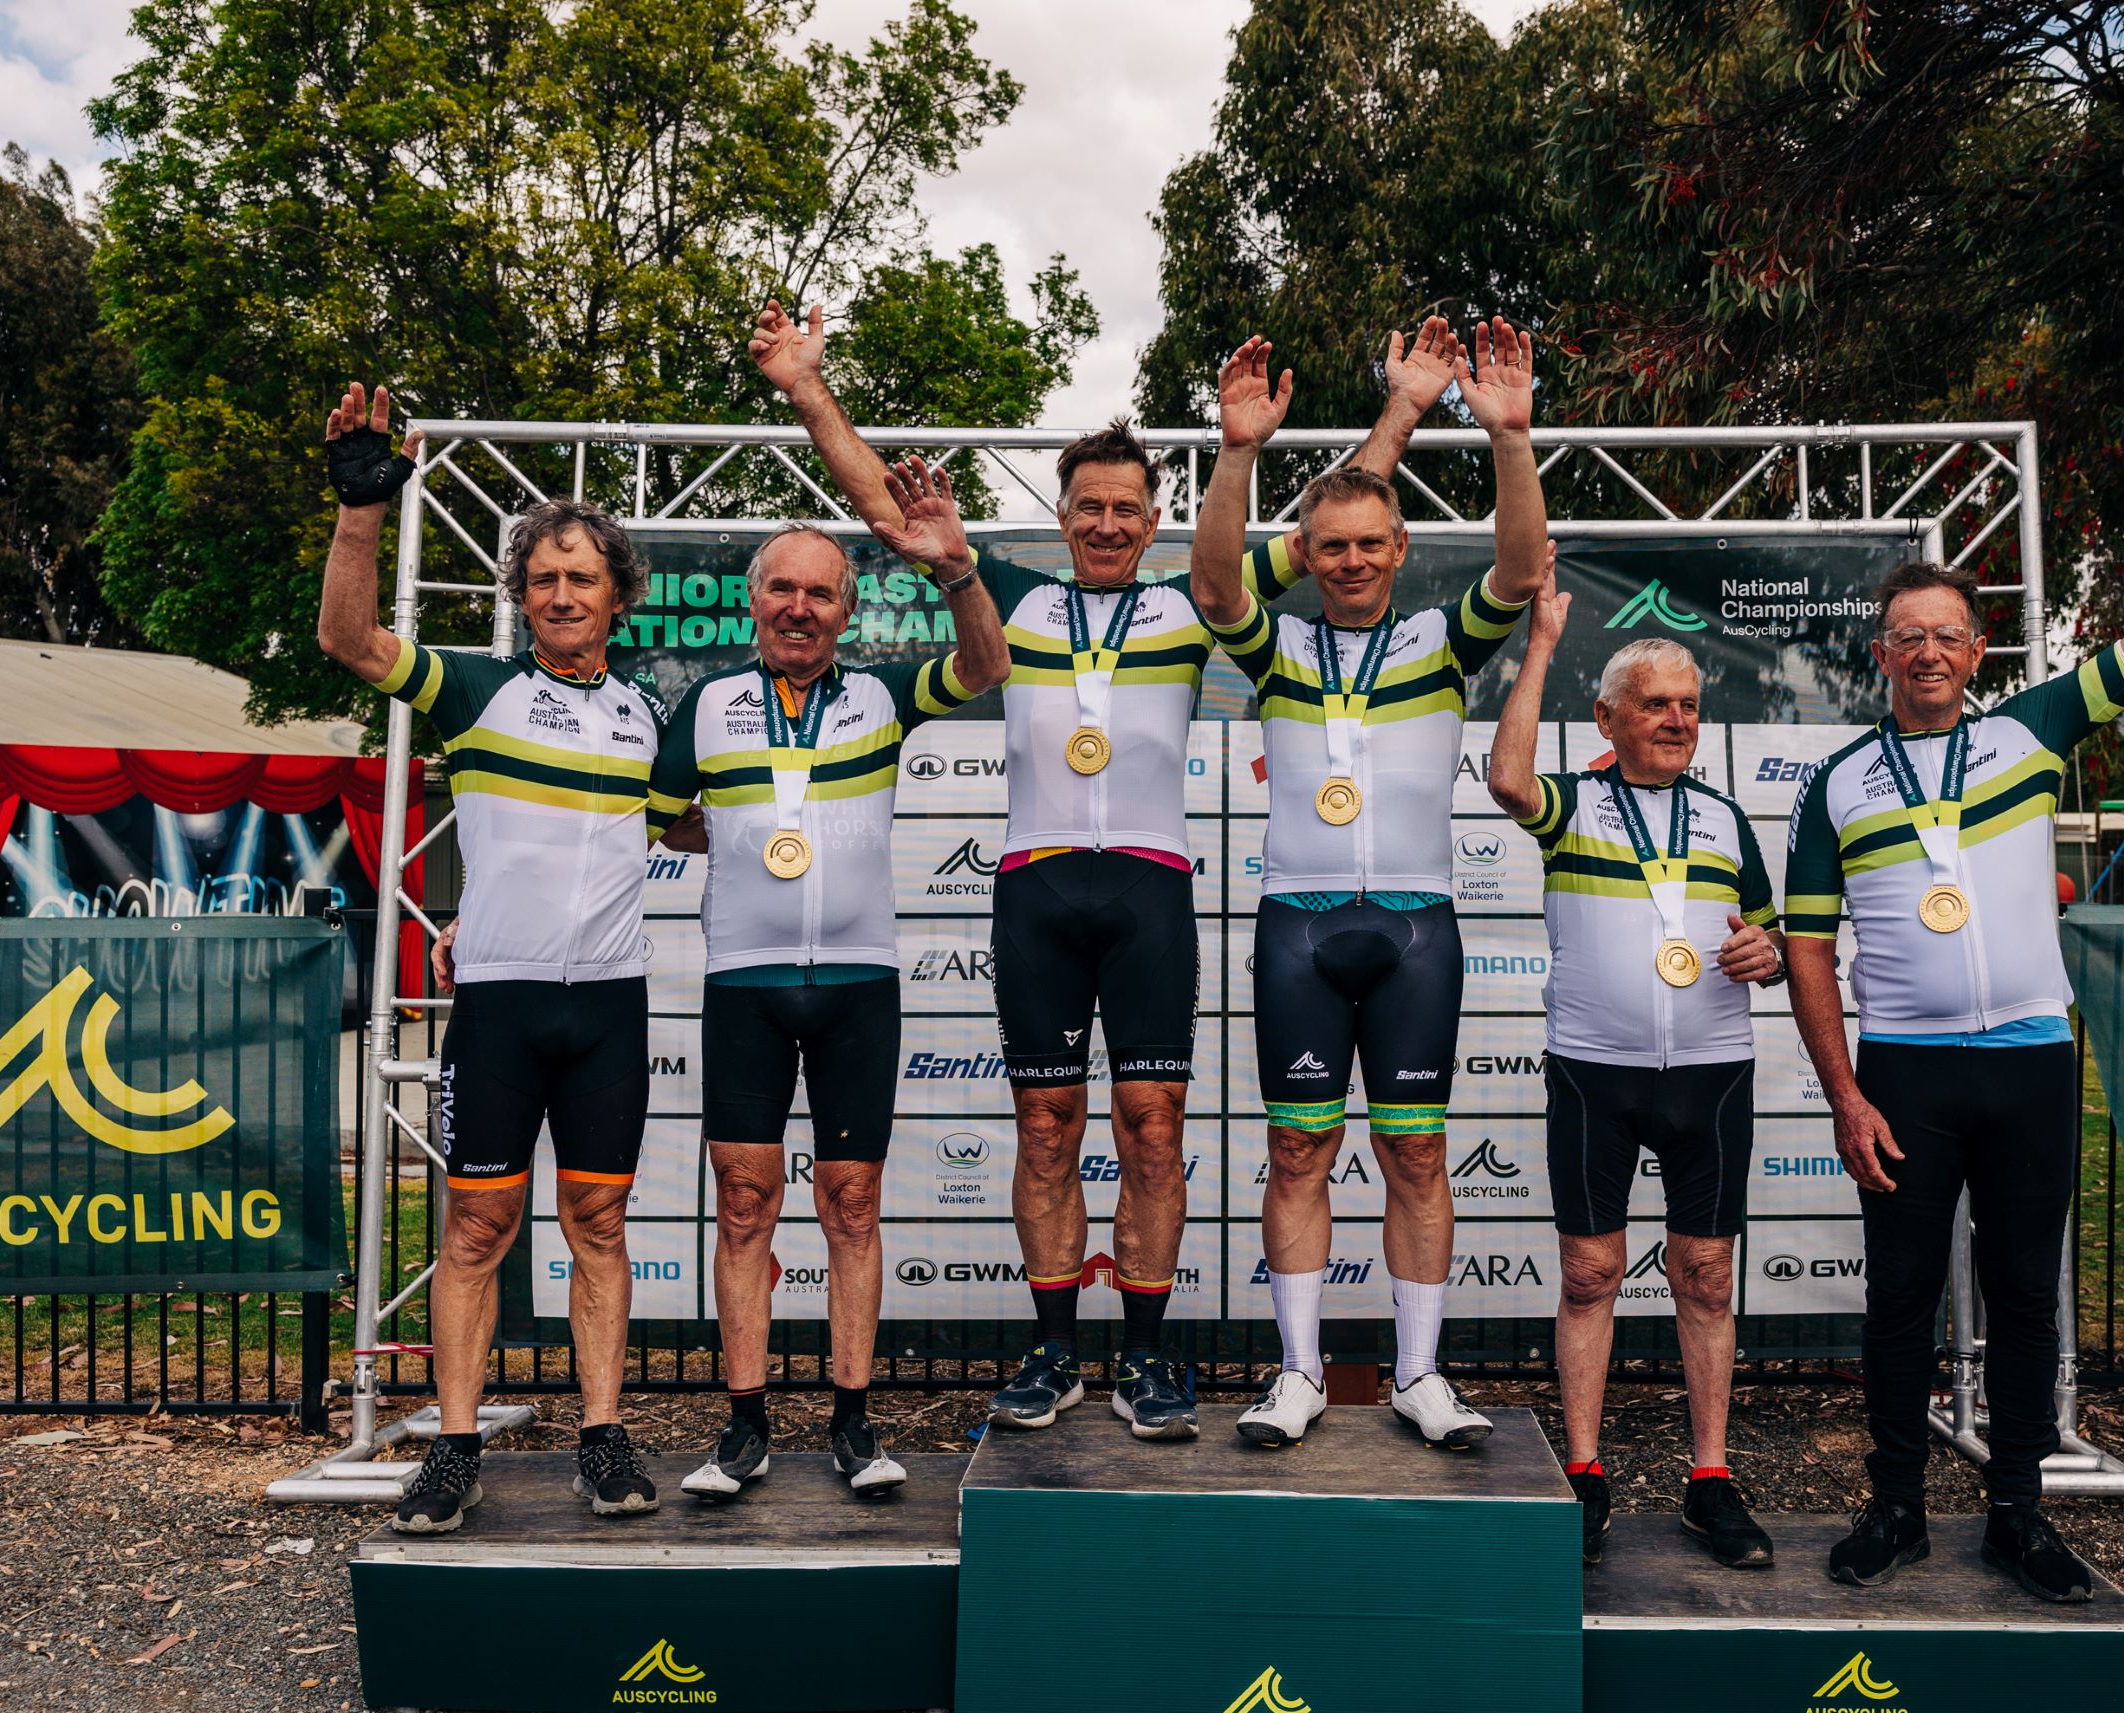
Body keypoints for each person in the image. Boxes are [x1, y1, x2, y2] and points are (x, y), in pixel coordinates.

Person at [757, 300, 1459, 1439]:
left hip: (1146, 889)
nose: (1105, 524)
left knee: (1150, 1121)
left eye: (1126, 510)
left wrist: (1402, 409)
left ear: (1152, 520)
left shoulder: (1195, 605)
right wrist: (805, 389)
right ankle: (1050, 1347)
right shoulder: (1016, 600)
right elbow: (891, 513)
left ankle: (1144, 1352)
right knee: (1043, 1126)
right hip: (1035, 887)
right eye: (1086, 507)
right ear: (1062, 513)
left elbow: (1344, 518)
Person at [1784, 407, 2124, 1602]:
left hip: (2031, 1058)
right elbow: (1805, 951)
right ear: (1878, 655)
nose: (1926, 650)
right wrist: (1841, 1093)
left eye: (1946, 633)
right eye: (1904, 635)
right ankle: (1891, 1506)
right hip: (1902, 1071)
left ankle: (2016, 1513)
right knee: (1893, 1300)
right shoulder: (1833, 786)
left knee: (2026, 1292)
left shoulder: (2033, 732)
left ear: (1978, 651)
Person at [316, 382, 670, 1533]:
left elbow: (705, 822)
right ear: (519, 596)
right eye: (542, 578)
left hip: (611, 1005)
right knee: (475, 1226)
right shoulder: (478, 688)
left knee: (602, 1225)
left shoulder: (649, 721)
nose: (561, 593)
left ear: (618, 595)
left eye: (583, 576)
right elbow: (348, 640)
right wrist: (363, 510)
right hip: (504, 1008)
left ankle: (604, 1438)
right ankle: (454, 1446)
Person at [1190, 321, 1546, 1447]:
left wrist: (1509, 437)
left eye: (1367, 544)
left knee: (1415, 1149)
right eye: (1328, 545)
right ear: (1308, 550)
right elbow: (1208, 582)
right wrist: (1236, 453)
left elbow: (1522, 568)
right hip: (1296, 923)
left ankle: (1417, 1375)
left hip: (1414, 931)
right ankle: (1297, 1373)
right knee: (1296, 1147)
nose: (1347, 560)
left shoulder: (1444, 641)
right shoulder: (1274, 649)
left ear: (1398, 549)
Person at [644, 461, 1008, 1502]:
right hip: (745, 983)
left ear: (847, 610)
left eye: (821, 592)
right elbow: (660, 814)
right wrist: (734, 833)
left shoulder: (885, 693)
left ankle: (854, 1420)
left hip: (859, 983)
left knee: (851, 1202)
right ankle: (744, 1425)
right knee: (744, 1203)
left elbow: (984, 668)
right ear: (753, 599)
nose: (799, 608)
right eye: (782, 589)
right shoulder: (707, 705)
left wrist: (953, 572)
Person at [1487, 554, 1784, 1564]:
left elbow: (1772, 938)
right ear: (1608, 718)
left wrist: (1767, 950)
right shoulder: (1569, 804)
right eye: (1652, 704)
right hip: (1592, 1070)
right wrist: (1536, 648)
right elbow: (1504, 778)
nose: (1674, 719)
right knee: (1587, 1272)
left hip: (1709, 1073)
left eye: (1687, 705)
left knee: (1703, 1276)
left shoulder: (1727, 818)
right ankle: (1582, 1469)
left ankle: (1710, 1475)